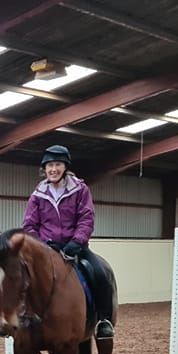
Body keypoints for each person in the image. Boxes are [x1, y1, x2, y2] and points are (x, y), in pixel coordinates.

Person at [22, 144, 114, 339]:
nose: (53, 169)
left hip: (76, 248)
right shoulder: (37, 194)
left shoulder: (80, 189)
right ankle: (16, 319)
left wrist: (76, 242)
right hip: (47, 249)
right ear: (44, 169)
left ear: (65, 167)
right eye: (49, 165)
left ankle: (103, 321)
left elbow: (86, 218)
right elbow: (29, 225)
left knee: (99, 273)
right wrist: (41, 245)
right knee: (21, 274)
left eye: (57, 165)